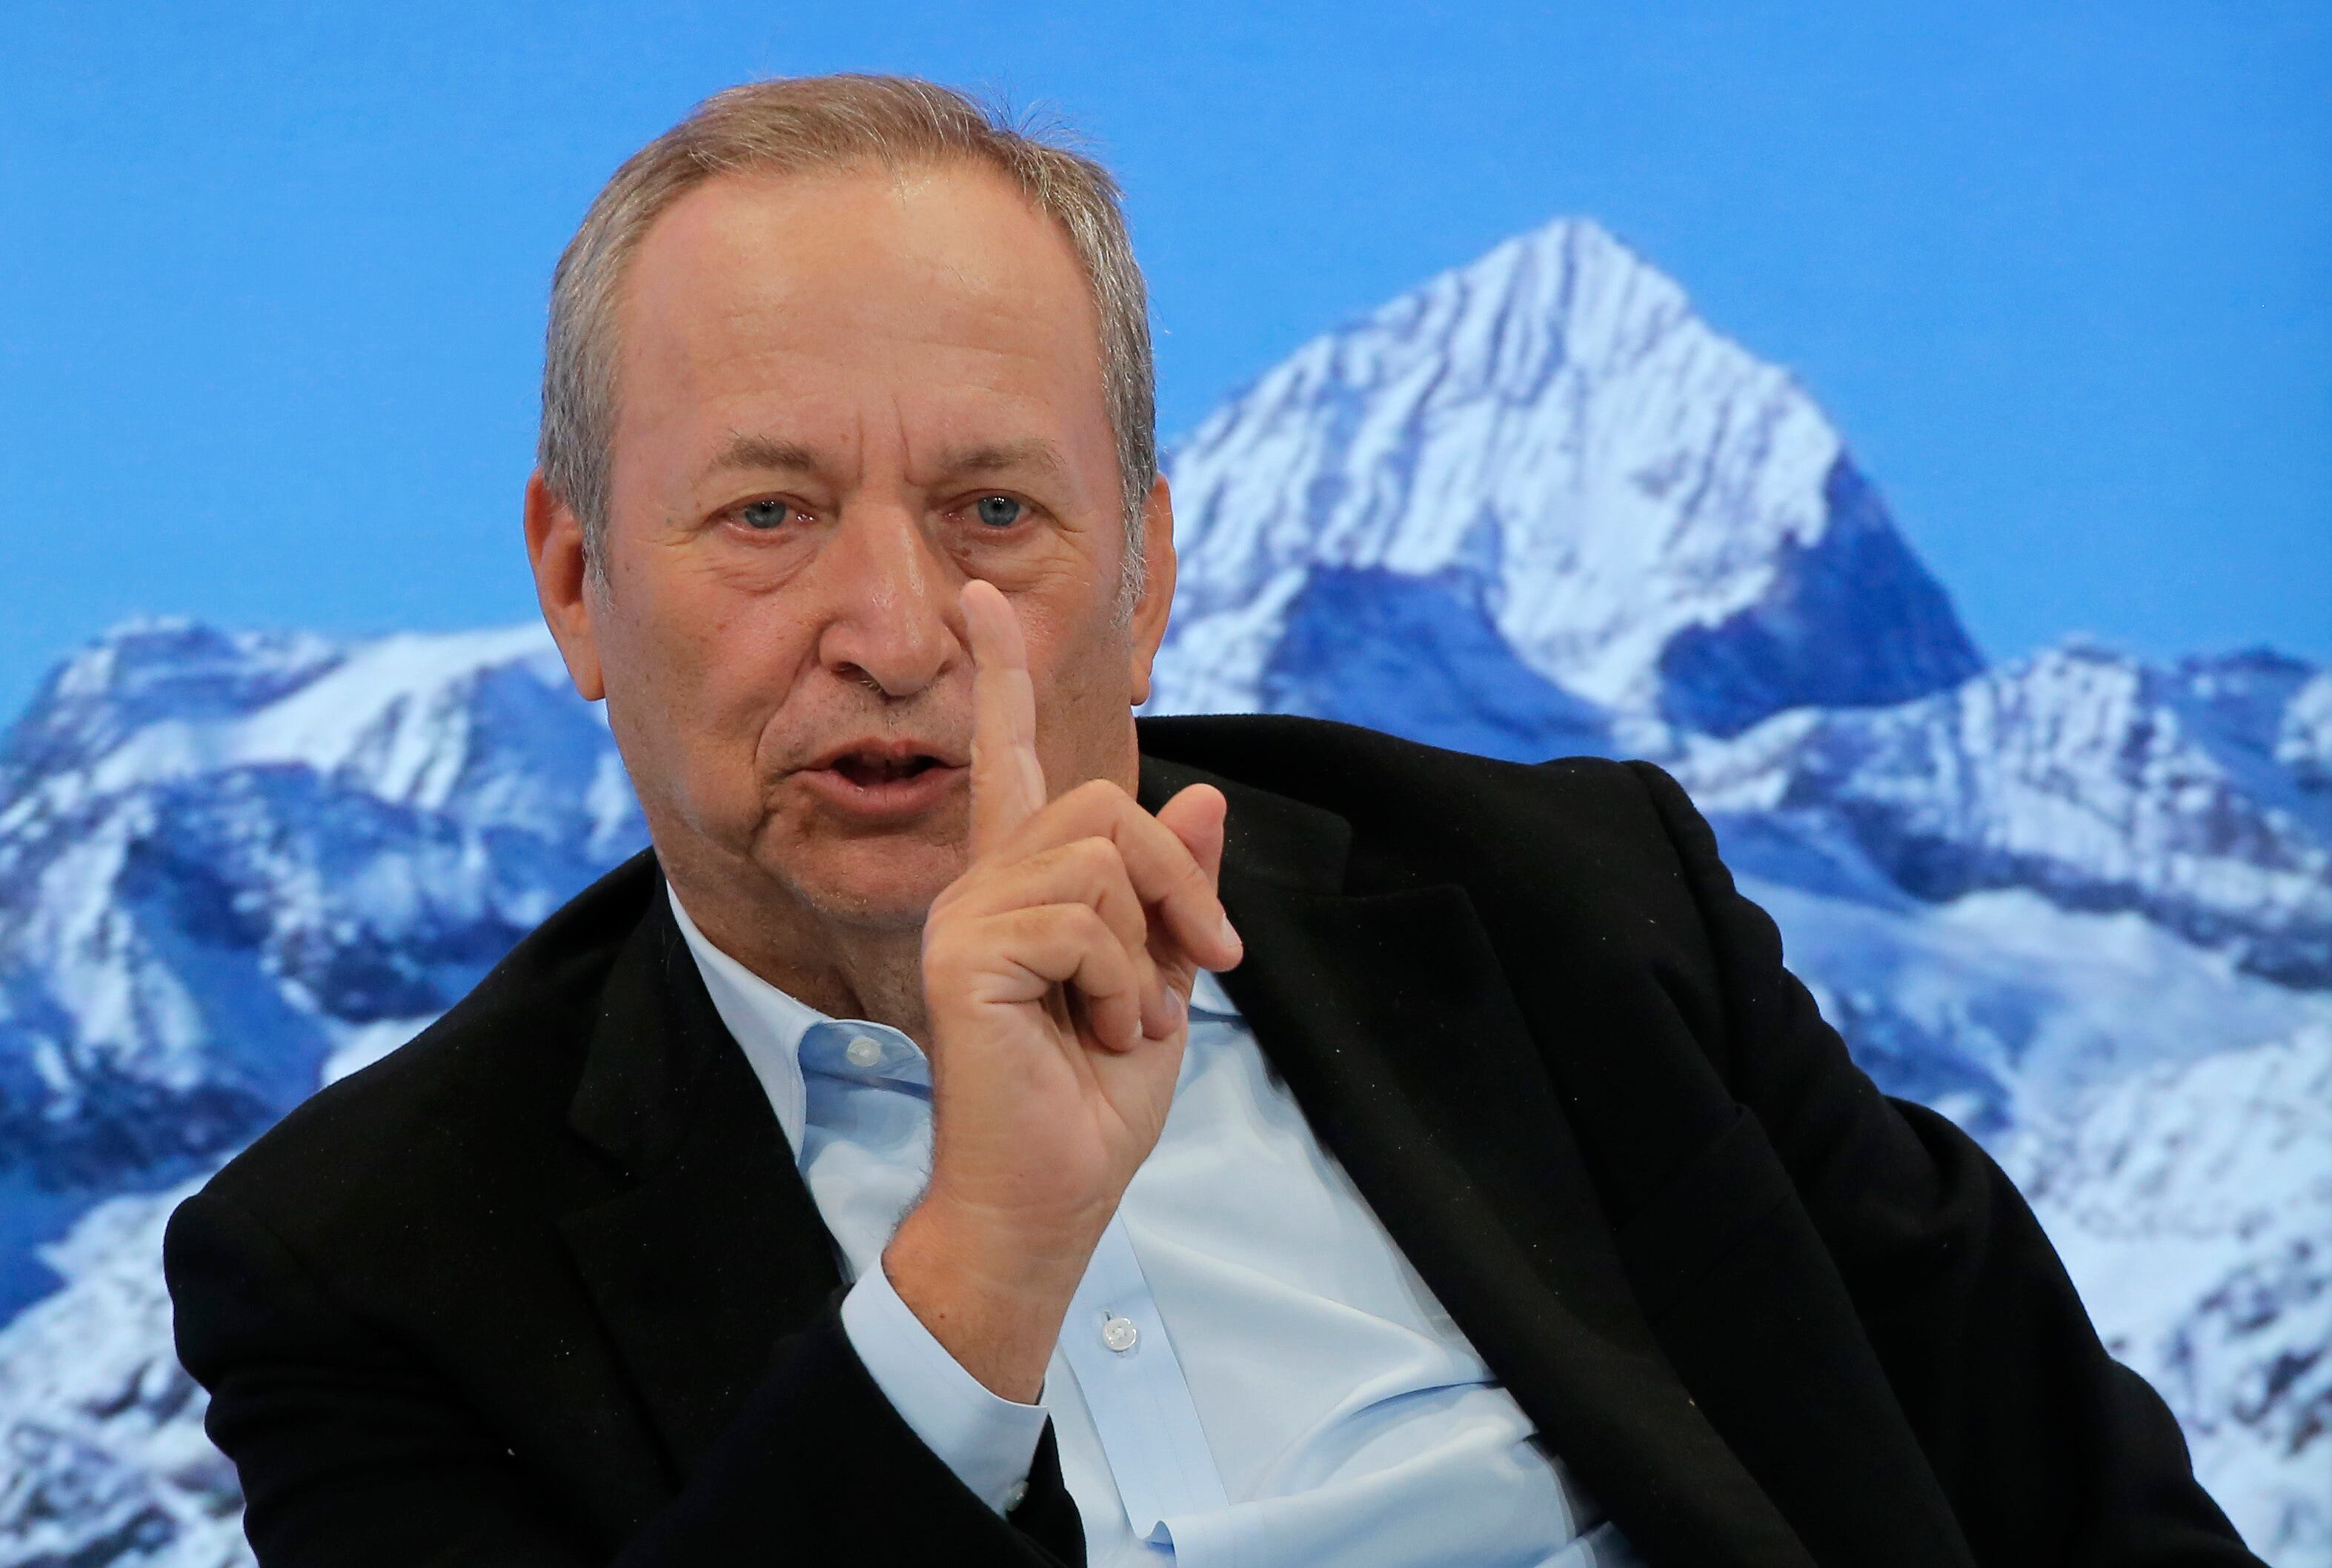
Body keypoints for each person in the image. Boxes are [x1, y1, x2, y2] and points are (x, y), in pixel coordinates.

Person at [162, 73, 2257, 1568]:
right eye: (766, 515)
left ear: (1147, 565)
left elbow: (2079, 1499)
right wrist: (980, 1266)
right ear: (572, 580)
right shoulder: (359, 1266)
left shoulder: (1572, 905)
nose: (893, 628)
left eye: (996, 510)